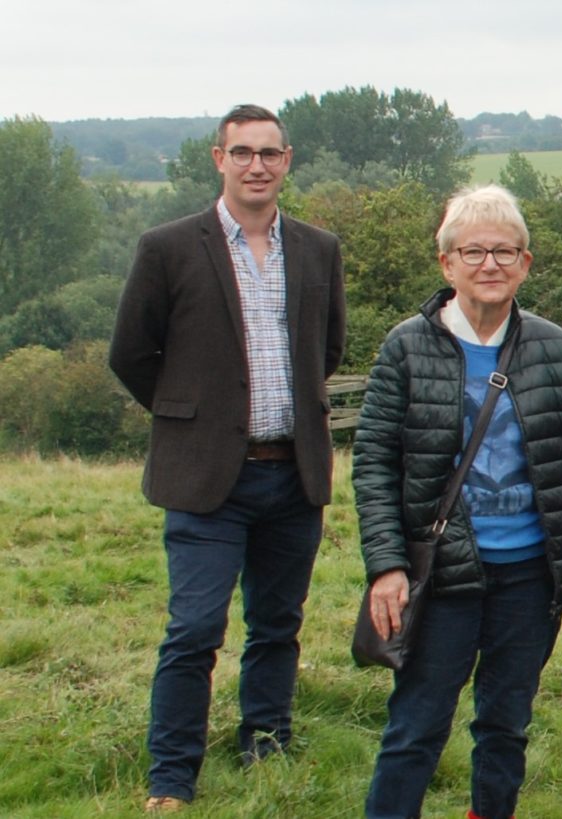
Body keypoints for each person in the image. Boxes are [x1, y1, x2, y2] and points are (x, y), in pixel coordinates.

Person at [107, 103, 346, 813]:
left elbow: (326, 349)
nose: (256, 166)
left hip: (293, 472)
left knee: (279, 622)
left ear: (288, 160)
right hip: (208, 477)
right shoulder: (169, 246)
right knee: (194, 628)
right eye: (242, 152)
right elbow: (130, 353)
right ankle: (171, 776)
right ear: (219, 159)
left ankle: (266, 742)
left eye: (269, 153)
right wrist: (189, 417)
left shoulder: (317, 249)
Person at [353, 185, 562, 819]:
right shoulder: (406, 348)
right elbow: (374, 464)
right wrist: (387, 567)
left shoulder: (551, 347)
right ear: (446, 264)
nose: (489, 264)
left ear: (526, 262)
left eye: (505, 252)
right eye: (473, 251)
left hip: (531, 572)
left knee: (505, 725)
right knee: (417, 725)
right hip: (442, 575)